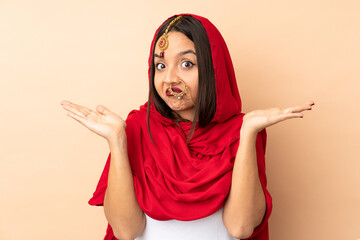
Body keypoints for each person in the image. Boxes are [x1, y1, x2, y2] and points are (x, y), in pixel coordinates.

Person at [60, 13, 314, 240]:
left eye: (187, 64)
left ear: (214, 70)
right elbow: (126, 232)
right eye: (160, 65)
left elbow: (241, 228)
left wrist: (247, 133)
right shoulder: (138, 127)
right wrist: (116, 140)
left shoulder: (243, 130)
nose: (169, 78)